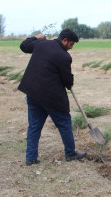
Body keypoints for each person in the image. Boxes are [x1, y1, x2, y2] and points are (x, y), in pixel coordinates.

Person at [18, 29, 87, 166]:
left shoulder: (41, 44)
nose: (71, 47)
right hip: (51, 97)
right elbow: (68, 82)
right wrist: (70, 79)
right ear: (64, 40)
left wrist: (37, 37)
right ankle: (70, 153)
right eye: (71, 44)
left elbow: (24, 45)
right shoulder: (64, 56)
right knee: (65, 123)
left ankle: (31, 157)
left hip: (32, 93)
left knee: (34, 126)